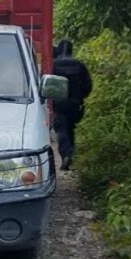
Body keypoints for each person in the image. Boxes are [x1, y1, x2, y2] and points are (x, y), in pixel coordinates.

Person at [51, 40, 93, 170]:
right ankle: (69, 154)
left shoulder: (53, 65)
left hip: (58, 103)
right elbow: (88, 85)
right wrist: (81, 98)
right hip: (75, 104)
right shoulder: (79, 65)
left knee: (62, 128)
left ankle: (66, 154)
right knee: (70, 127)